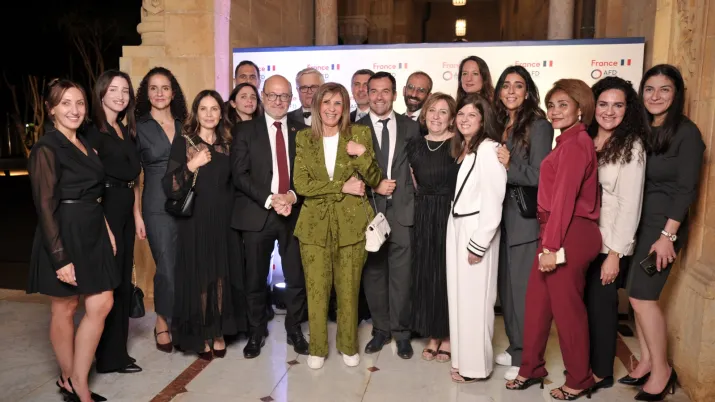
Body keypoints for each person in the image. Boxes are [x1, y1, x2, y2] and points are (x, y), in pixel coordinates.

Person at [506, 79, 600, 400]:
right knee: (537, 305)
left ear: (580, 109)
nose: (555, 111)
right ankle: (531, 368)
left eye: (563, 105)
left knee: (567, 311)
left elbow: (564, 201)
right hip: (555, 232)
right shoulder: (566, 142)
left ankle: (580, 379)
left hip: (570, 233)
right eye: (551, 105)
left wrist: (551, 246)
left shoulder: (576, 144)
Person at [28, 79, 116, 402]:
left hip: (93, 230)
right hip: (64, 232)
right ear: (51, 109)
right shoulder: (46, 148)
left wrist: (106, 229)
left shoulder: (85, 144)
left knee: (102, 302)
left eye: (79, 103)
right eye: (65, 103)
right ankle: (72, 381)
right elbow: (45, 207)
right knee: (65, 306)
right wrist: (59, 257)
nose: (74, 110)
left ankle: (77, 377)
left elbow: (94, 194)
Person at [620, 64, 705, 401]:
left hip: (663, 228)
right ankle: (646, 361)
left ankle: (662, 371)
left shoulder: (687, 133)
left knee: (644, 298)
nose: (655, 96)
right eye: (649, 89)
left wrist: (667, 236)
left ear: (676, 94)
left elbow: (686, 190)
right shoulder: (643, 129)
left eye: (664, 89)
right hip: (639, 223)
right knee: (634, 295)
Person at [293, 82, 382, 369]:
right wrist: (341, 187)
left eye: (338, 103)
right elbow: (301, 184)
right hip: (313, 227)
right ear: (317, 106)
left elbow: (374, 178)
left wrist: (362, 153)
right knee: (316, 290)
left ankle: (348, 345)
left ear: (345, 108)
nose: (332, 109)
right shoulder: (304, 138)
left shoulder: (359, 134)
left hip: (352, 224)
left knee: (349, 289)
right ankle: (317, 348)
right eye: (326, 102)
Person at [231, 75, 309, 359]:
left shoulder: (302, 132)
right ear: (263, 97)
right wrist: (270, 199)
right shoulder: (244, 130)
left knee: (296, 277)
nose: (278, 101)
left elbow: (308, 174)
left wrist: (291, 196)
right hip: (257, 213)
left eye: (284, 96)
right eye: (273, 95)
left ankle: (294, 330)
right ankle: (256, 332)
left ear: (291, 99)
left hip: (292, 214)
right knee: (254, 278)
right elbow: (239, 174)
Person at [164, 90, 241, 359]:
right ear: (196, 113)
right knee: (199, 275)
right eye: (204, 109)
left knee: (220, 274)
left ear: (221, 114)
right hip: (195, 219)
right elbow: (169, 186)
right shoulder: (184, 141)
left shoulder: (228, 143)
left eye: (214, 109)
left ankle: (218, 330)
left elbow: (235, 182)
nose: (209, 114)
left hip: (224, 219)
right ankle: (201, 333)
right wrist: (192, 164)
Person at [585, 76, 648, 391]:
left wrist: (615, 254)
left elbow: (630, 203)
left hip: (608, 242)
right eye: (603, 104)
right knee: (583, 306)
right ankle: (584, 365)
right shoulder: (585, 137)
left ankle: (601, 372)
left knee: (602, 307)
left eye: (618, 105)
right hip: (582, 237)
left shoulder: (632, 146)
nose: (609, 111)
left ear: (628, 109)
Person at [492, 65, 553, 381]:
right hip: (501, 218)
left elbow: (542, 176)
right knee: (507, 291)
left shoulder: (539, 126)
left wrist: (509, 164)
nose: (511, 91)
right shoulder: (502, 123)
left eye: (518, 85)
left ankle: (527, 358)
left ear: (527, 91)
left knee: (522, 293)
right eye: (506, 85)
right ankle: (516, 346)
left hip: (524, 221)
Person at [357, 71, 421, 359]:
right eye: (374, 91)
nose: (379, 97)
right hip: (369, 212)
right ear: (367, 94)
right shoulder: (355, 129)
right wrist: (374, 184)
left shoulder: (411, 127)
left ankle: (402, 333)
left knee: (402, 275)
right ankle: (381, 330)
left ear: (395, 95)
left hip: (403, 211)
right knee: (373, 273)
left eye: (385, 91)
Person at [446, 94, 506, 382]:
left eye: (472, 115)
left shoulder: (489, 149)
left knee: (476, 302)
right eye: (461, 114)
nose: (464, 119)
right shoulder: (466, 149)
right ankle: (462, 360)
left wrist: (479, 243)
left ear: (483, 120)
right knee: (460, 298)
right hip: (458, 225)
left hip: (476, 228)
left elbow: (495, 197)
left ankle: (477, 368)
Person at [87, 70, 143, 375]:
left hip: (124, 209)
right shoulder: (92, 132)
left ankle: (118, 353)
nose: (120, 96)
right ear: (101, 93)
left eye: (125, 91)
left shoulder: (124, 129)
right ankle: (106, 357)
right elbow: (91, 184)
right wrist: (105, 226)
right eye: (113, 90)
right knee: (107, 285)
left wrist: (137, 215)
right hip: (105, 210)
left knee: (122, 283)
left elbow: (133, 179)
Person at [134, 66, 189, 352]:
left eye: (165, 88)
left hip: (188, 202)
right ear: (146, 93)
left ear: (173, 92)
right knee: (166, 265)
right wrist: (136, 214)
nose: (159, 93)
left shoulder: (185, 125)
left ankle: (181, 318)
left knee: (184, 264)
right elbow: (133, 176)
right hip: (156, 205)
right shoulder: (138, 127)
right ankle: (162, 321)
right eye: (153, 88)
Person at [407, 93, 456, 362]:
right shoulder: (415, 145)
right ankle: (433, 335)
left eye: (443, 111)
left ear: (452, 118)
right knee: (427, 274)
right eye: (432, 110)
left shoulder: (460, 144)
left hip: (450, 215)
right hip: (424, 214)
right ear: (424, 114)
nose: (437, 116)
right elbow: (413, 182)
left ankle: (447, 335)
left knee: (447, 275)